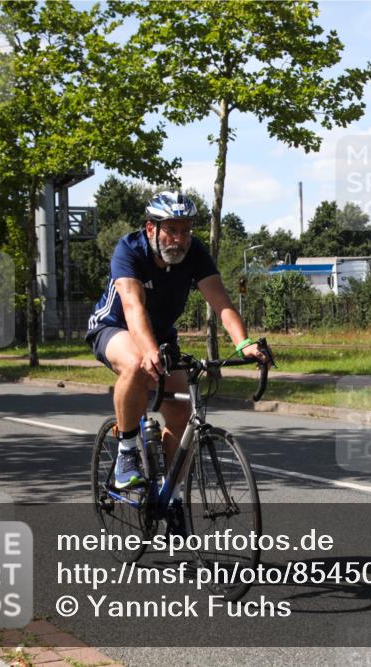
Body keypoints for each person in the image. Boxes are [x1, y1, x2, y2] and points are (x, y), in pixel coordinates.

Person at [85, 191, 265, 489]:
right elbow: (133, 307)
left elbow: (222, 303)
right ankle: (126, 453)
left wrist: (243, 343)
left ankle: (170, 496)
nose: (179, 239)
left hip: (160, 338)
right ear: (151, 228)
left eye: (185, 230)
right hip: (113, 326)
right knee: (136, 364)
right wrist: (149, 350)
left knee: (182, 414)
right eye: (171, 230)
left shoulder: (194, 252)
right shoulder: (129, 250)